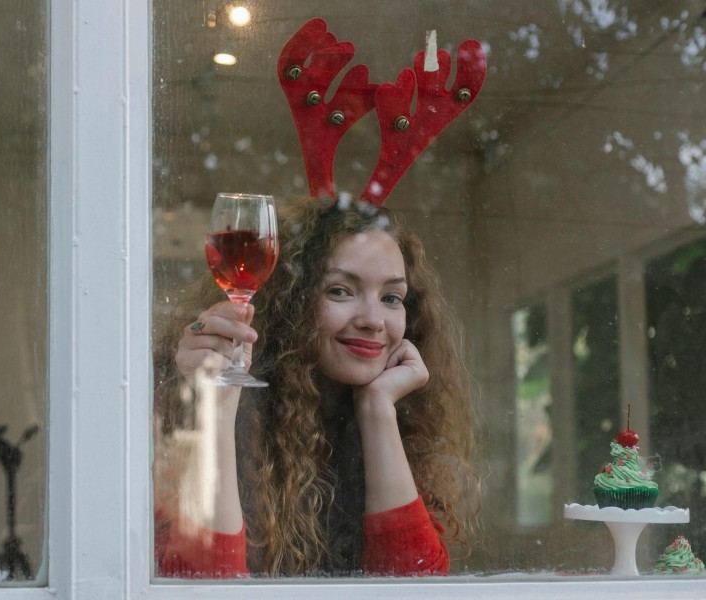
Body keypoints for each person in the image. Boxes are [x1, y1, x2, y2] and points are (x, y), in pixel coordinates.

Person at [153, 196, 478, 578]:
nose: (374, 321)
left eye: (391, 298)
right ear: (286, 303)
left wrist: (378, 410)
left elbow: (416, 586)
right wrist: (217, 405)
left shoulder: (398, 427)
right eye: (340, 290)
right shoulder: (171, 420)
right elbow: (202, 585)